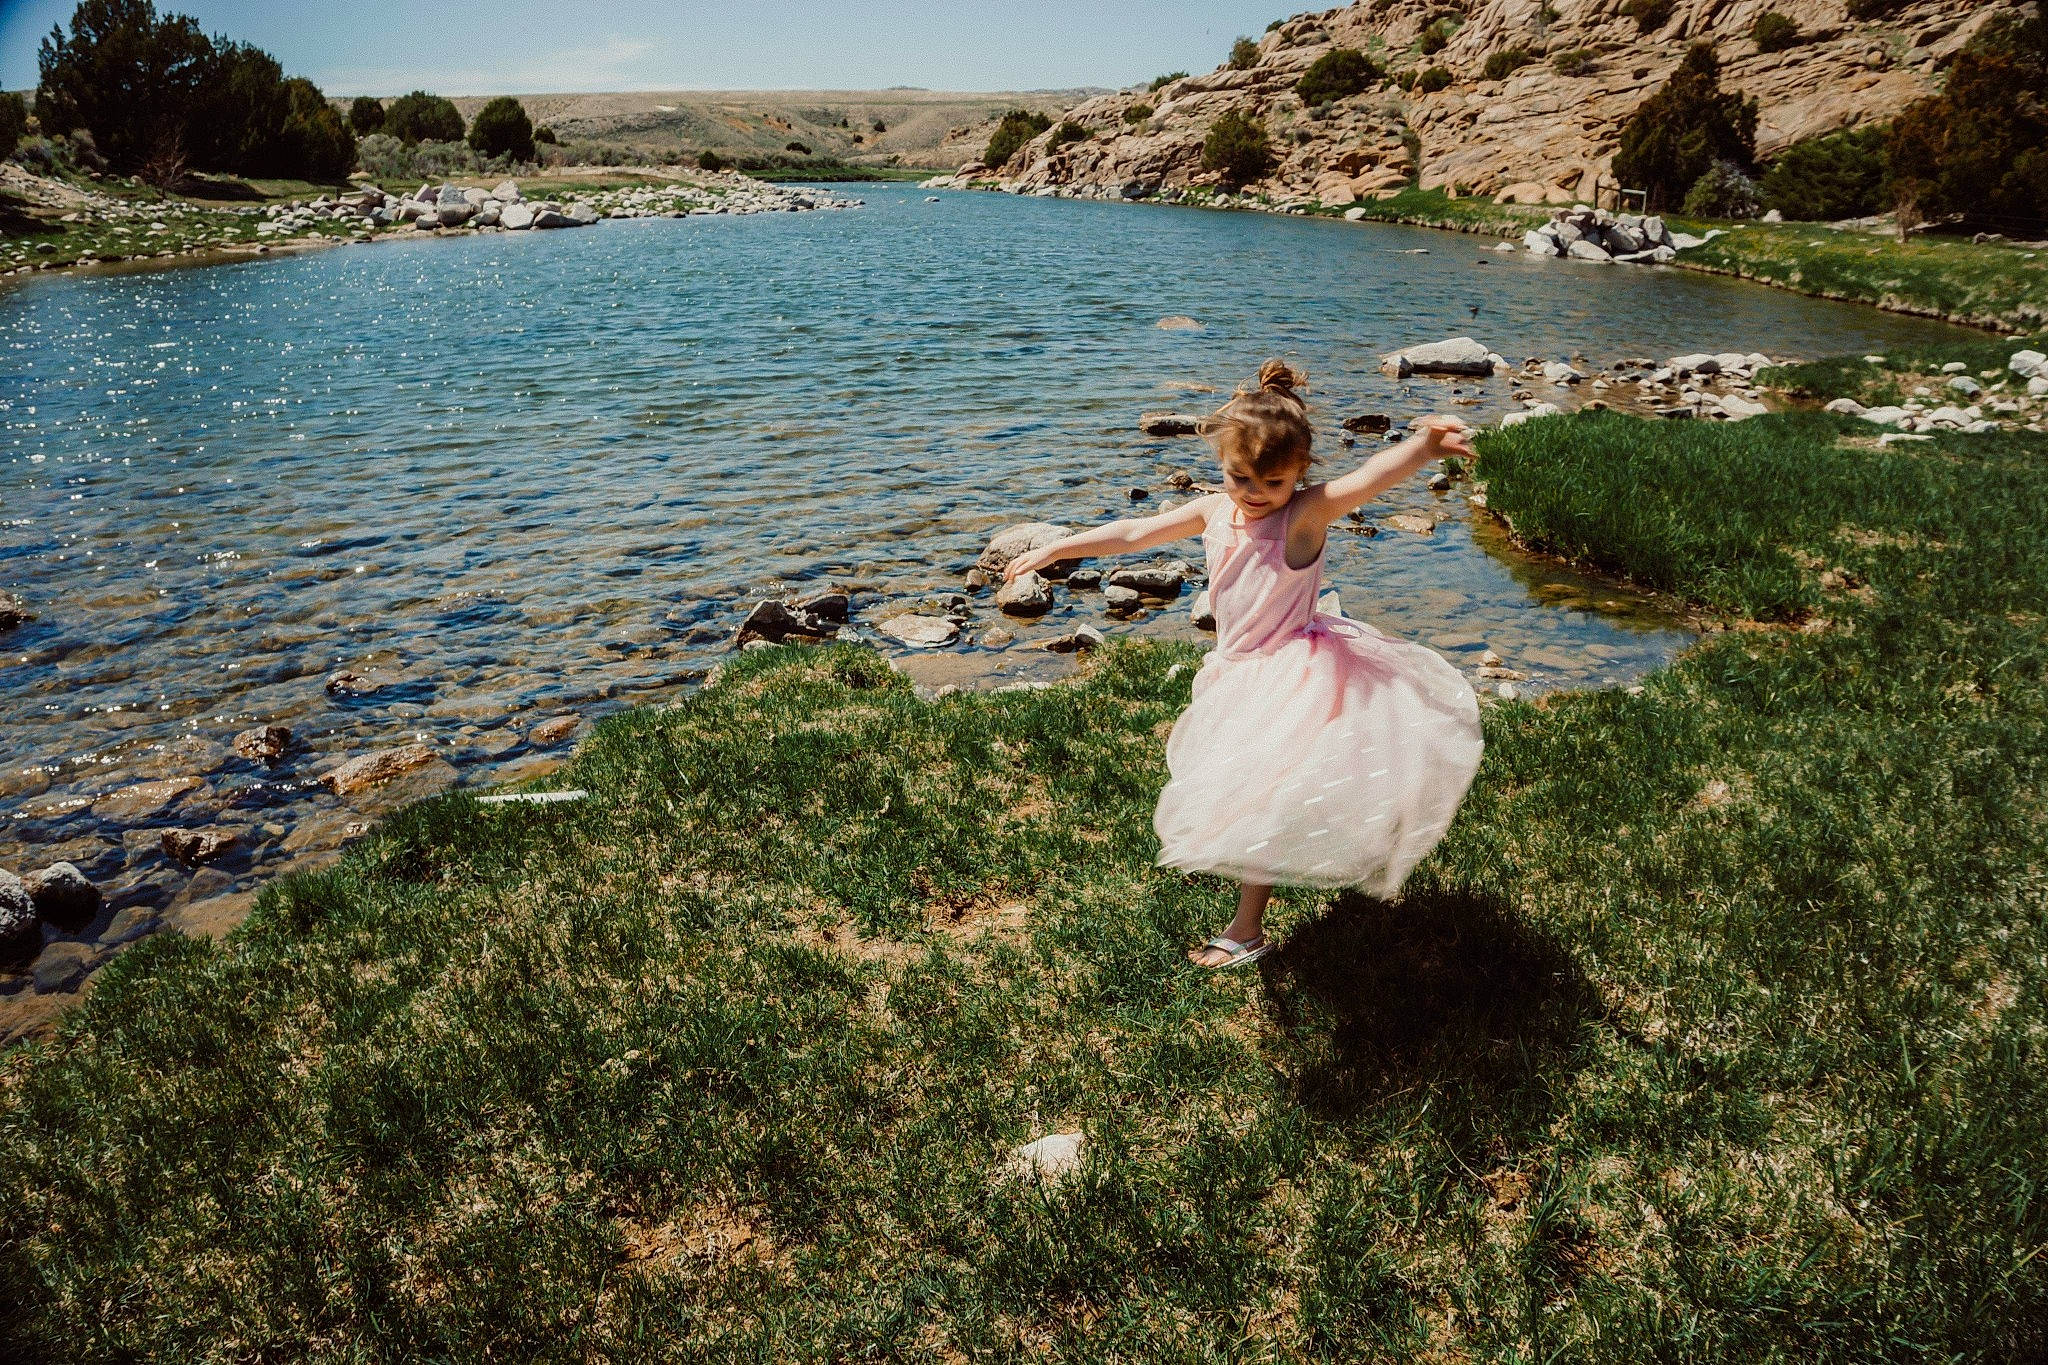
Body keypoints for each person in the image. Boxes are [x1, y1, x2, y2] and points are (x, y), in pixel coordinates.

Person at [1002, 360, 1484, 968]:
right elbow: (1133, 535)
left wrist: (1423, 447)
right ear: (1221, 464)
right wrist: (1057, 546)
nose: (1254, 492)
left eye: (1272, 482)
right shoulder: (1212, 511)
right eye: (1239, 477)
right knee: (1248, 787)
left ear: (1300, 474)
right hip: (1236, 669)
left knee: (1265, 797)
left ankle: (1246, 929)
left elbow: (1367, 480)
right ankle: (1245, 883)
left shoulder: (1302, 516)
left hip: (1292, 675)